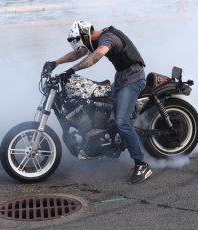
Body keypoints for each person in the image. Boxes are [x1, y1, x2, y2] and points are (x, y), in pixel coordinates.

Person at [42, 20, 152, 184]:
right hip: (121, 78)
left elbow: (97, 56)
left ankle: (141, 165)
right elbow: (77, 54)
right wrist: (55, 63)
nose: (80, 47)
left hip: (133, 79)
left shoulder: (108, 38)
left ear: (84, 35)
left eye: (79, 42)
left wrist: (71, 70)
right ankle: (107, 145)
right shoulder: (93, 39)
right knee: (98, 102)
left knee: (122, 121)